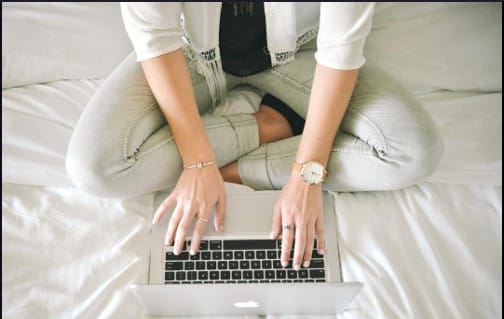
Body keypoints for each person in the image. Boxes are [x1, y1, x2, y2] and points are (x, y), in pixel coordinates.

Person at [66, 2, 443, 271]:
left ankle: (228, 166)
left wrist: (306, 175)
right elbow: (155, 35)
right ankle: (268, 127)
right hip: (190, 57)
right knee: (95, 168)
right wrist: (198, 162)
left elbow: (340, 50)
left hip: (304, 54)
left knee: (413, 152)